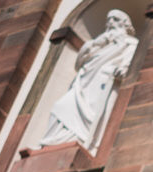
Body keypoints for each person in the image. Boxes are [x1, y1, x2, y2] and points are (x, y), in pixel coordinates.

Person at [41, 9, 139, 150]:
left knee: (94, 117)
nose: (111, 22)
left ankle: (85, 143)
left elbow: (127, 65)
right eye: (109, 19)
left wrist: (120, 70)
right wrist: (97, 43)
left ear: (125, 24)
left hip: (103, 83)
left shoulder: (130, 43)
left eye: (116, 19)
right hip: (82, 84)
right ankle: (52, 143)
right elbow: (79, 63)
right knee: (60, 106)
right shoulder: (97, 43)